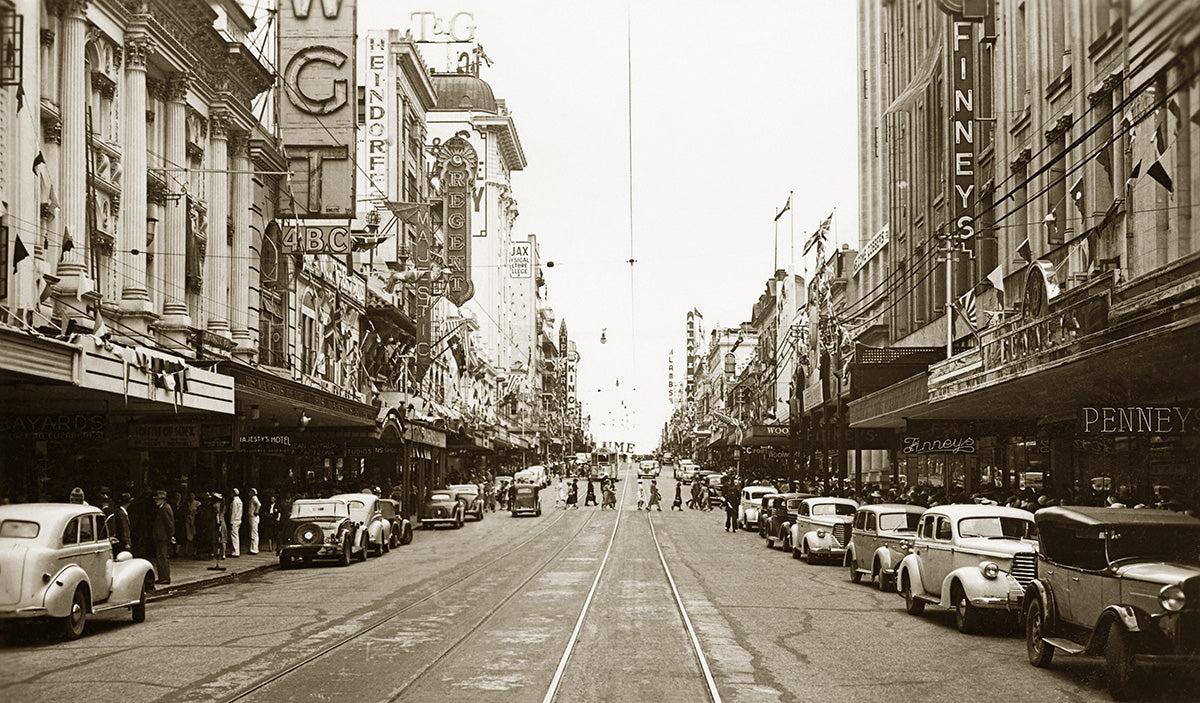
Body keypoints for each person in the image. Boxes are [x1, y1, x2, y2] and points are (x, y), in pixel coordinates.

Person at [152, 490, 174, 584]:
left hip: (163, 537)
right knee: (161, 557)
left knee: (162, 557)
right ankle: (163, 577)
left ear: (163, 500)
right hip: (161, 536)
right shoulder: (163, 508)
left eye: (157, 499)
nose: (156, 501)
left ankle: (164, 578)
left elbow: (169, 524)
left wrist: (171, 535)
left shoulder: (165, 508)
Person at [228, 488, 243, 557]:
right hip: (238, 519)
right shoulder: (240, 501)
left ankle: (235, 552)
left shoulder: (234, 501)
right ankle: (236, 551)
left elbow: (233, 512)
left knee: (234, 536)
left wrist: (231, 521)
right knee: (236, 535)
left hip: (235, 520)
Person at [247, 488, 261, 555]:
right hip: (252, 517)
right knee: (253, 533)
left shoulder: (254, 498)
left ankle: (254, 549)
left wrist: (256, 511)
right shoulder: (253, 498)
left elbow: (259, 504)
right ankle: (253, 548)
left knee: (253, 533)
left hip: (253, 517)